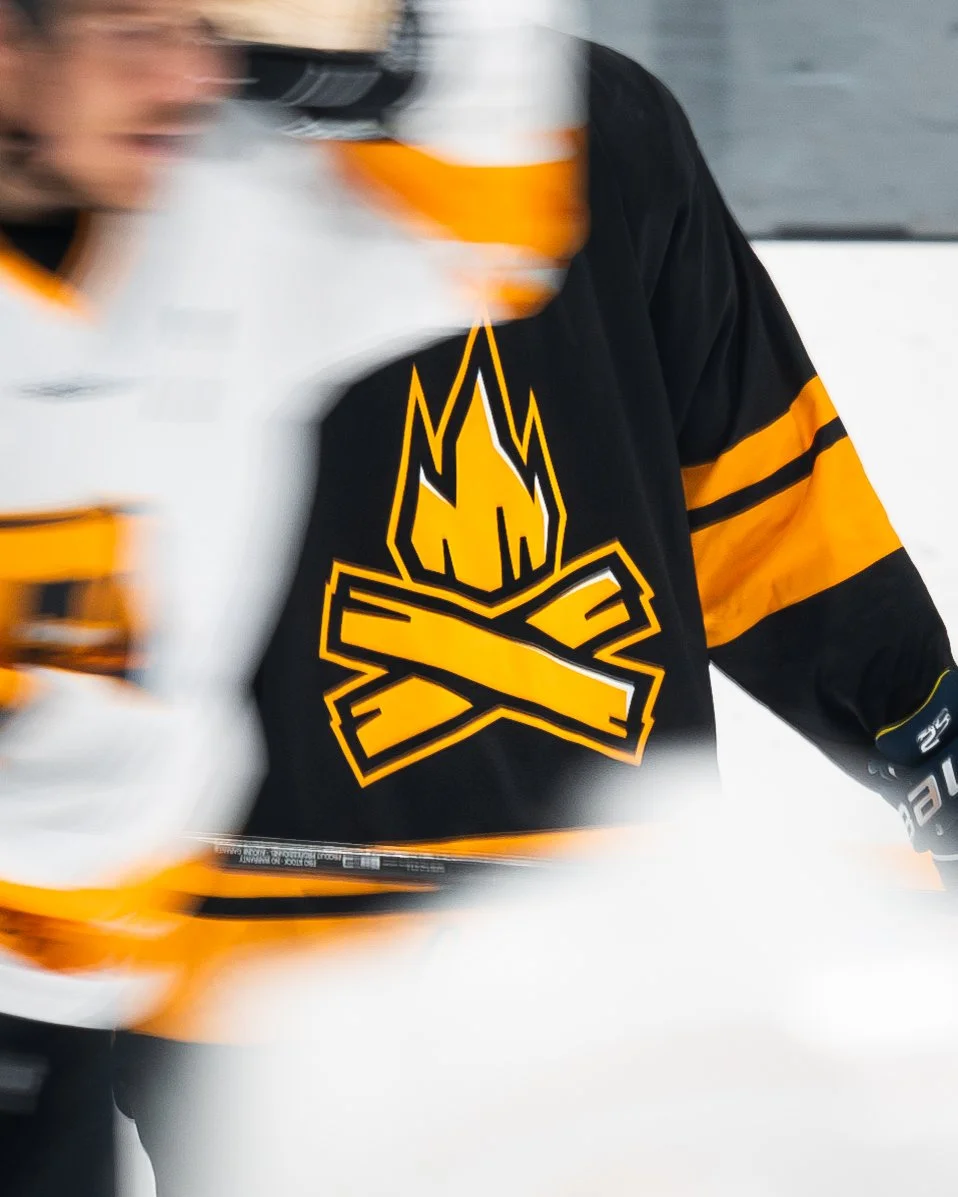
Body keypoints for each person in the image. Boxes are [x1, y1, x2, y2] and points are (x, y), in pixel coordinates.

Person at [0, 0, 582, 1191]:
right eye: (128, 34)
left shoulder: (224, 215)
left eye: (194, 30)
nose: (185, 75)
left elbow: (496, 234)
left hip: (77, 997)